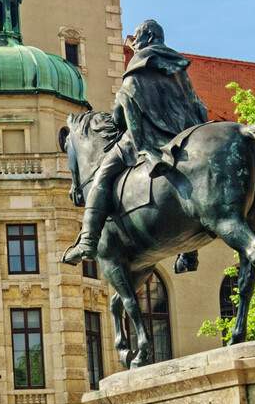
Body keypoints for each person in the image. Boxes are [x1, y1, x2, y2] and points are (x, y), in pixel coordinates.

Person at [64, 18, 209, 263]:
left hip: (146, 140)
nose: (136, 47)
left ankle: (88, 240)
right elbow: (200, 110)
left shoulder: (137, 70)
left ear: (147, 40)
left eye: (138, 42)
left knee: (101, 178)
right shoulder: (177, 70)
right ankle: (189, 250)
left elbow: (121, 116)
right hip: (181, 139)